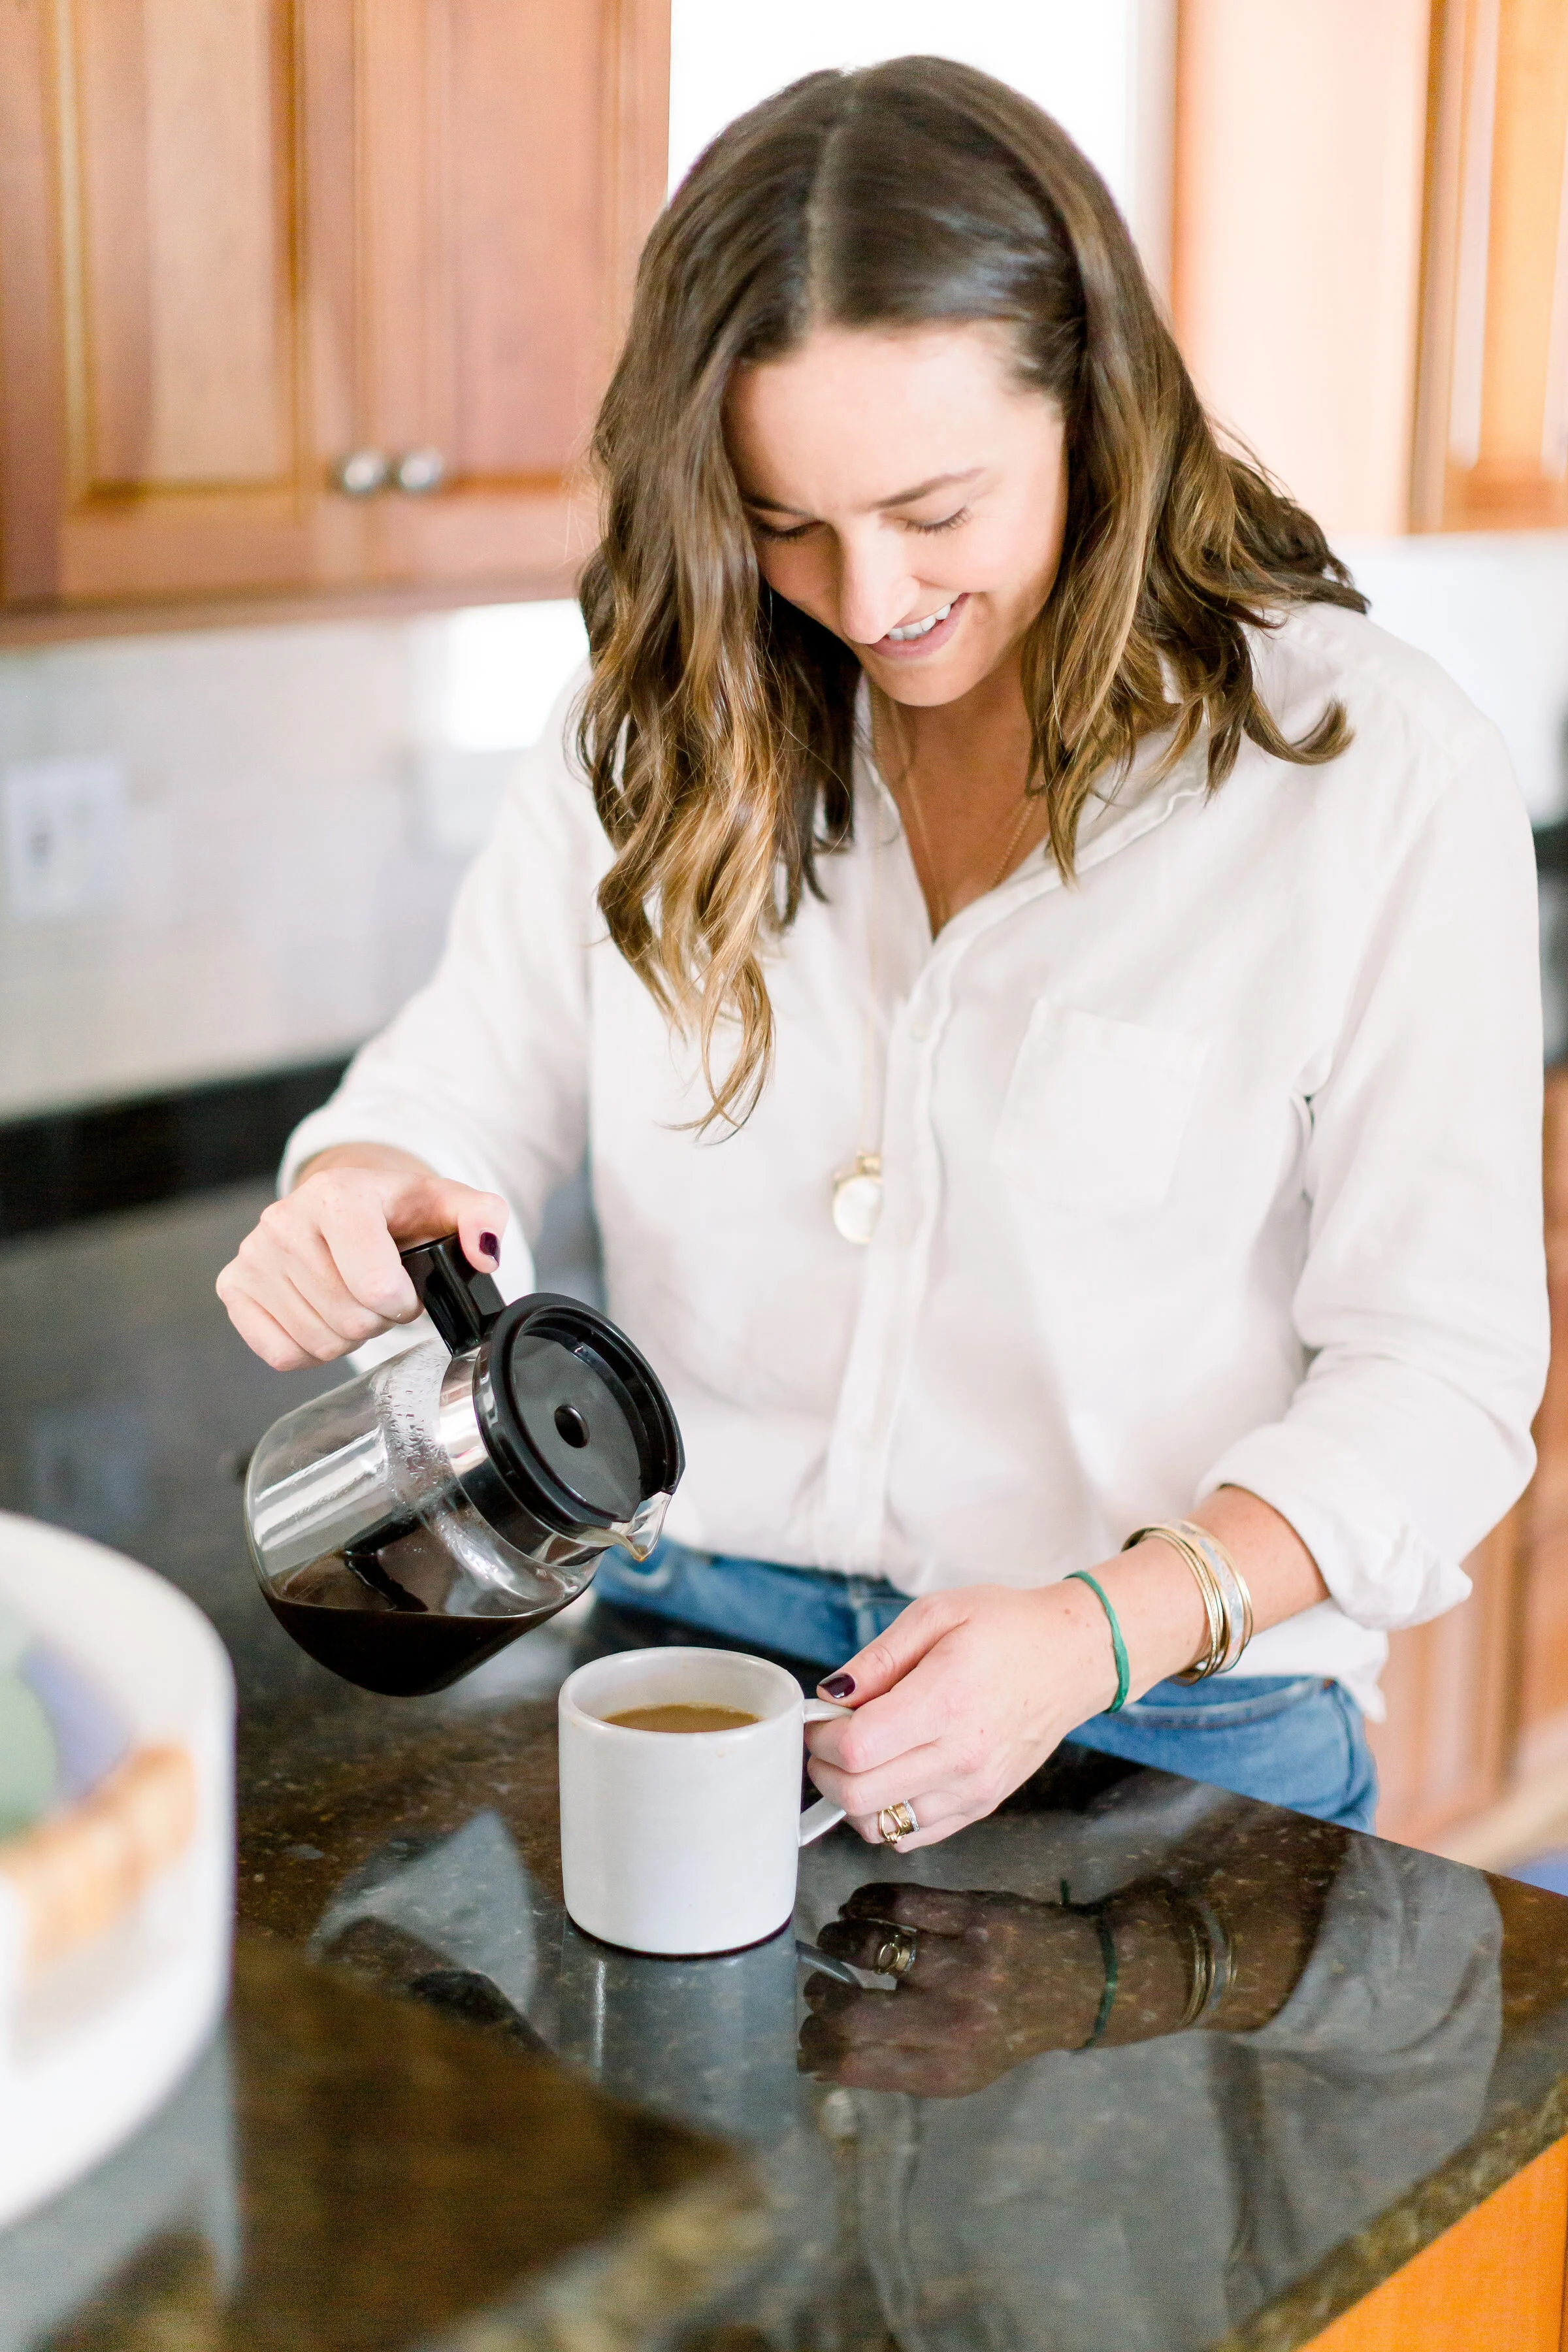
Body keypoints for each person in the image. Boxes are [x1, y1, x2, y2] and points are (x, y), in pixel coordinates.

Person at [217, 58, 1546, 1843]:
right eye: (785, 526)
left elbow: (1440, 1379)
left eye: (936, 511)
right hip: (700, 1642)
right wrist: (372, 1186)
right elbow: (468, 1075)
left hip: (1180, 1709)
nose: (866, 600)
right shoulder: (663, 724)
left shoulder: (1369, 777)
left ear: (1098, 406)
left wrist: (1094, 1632)